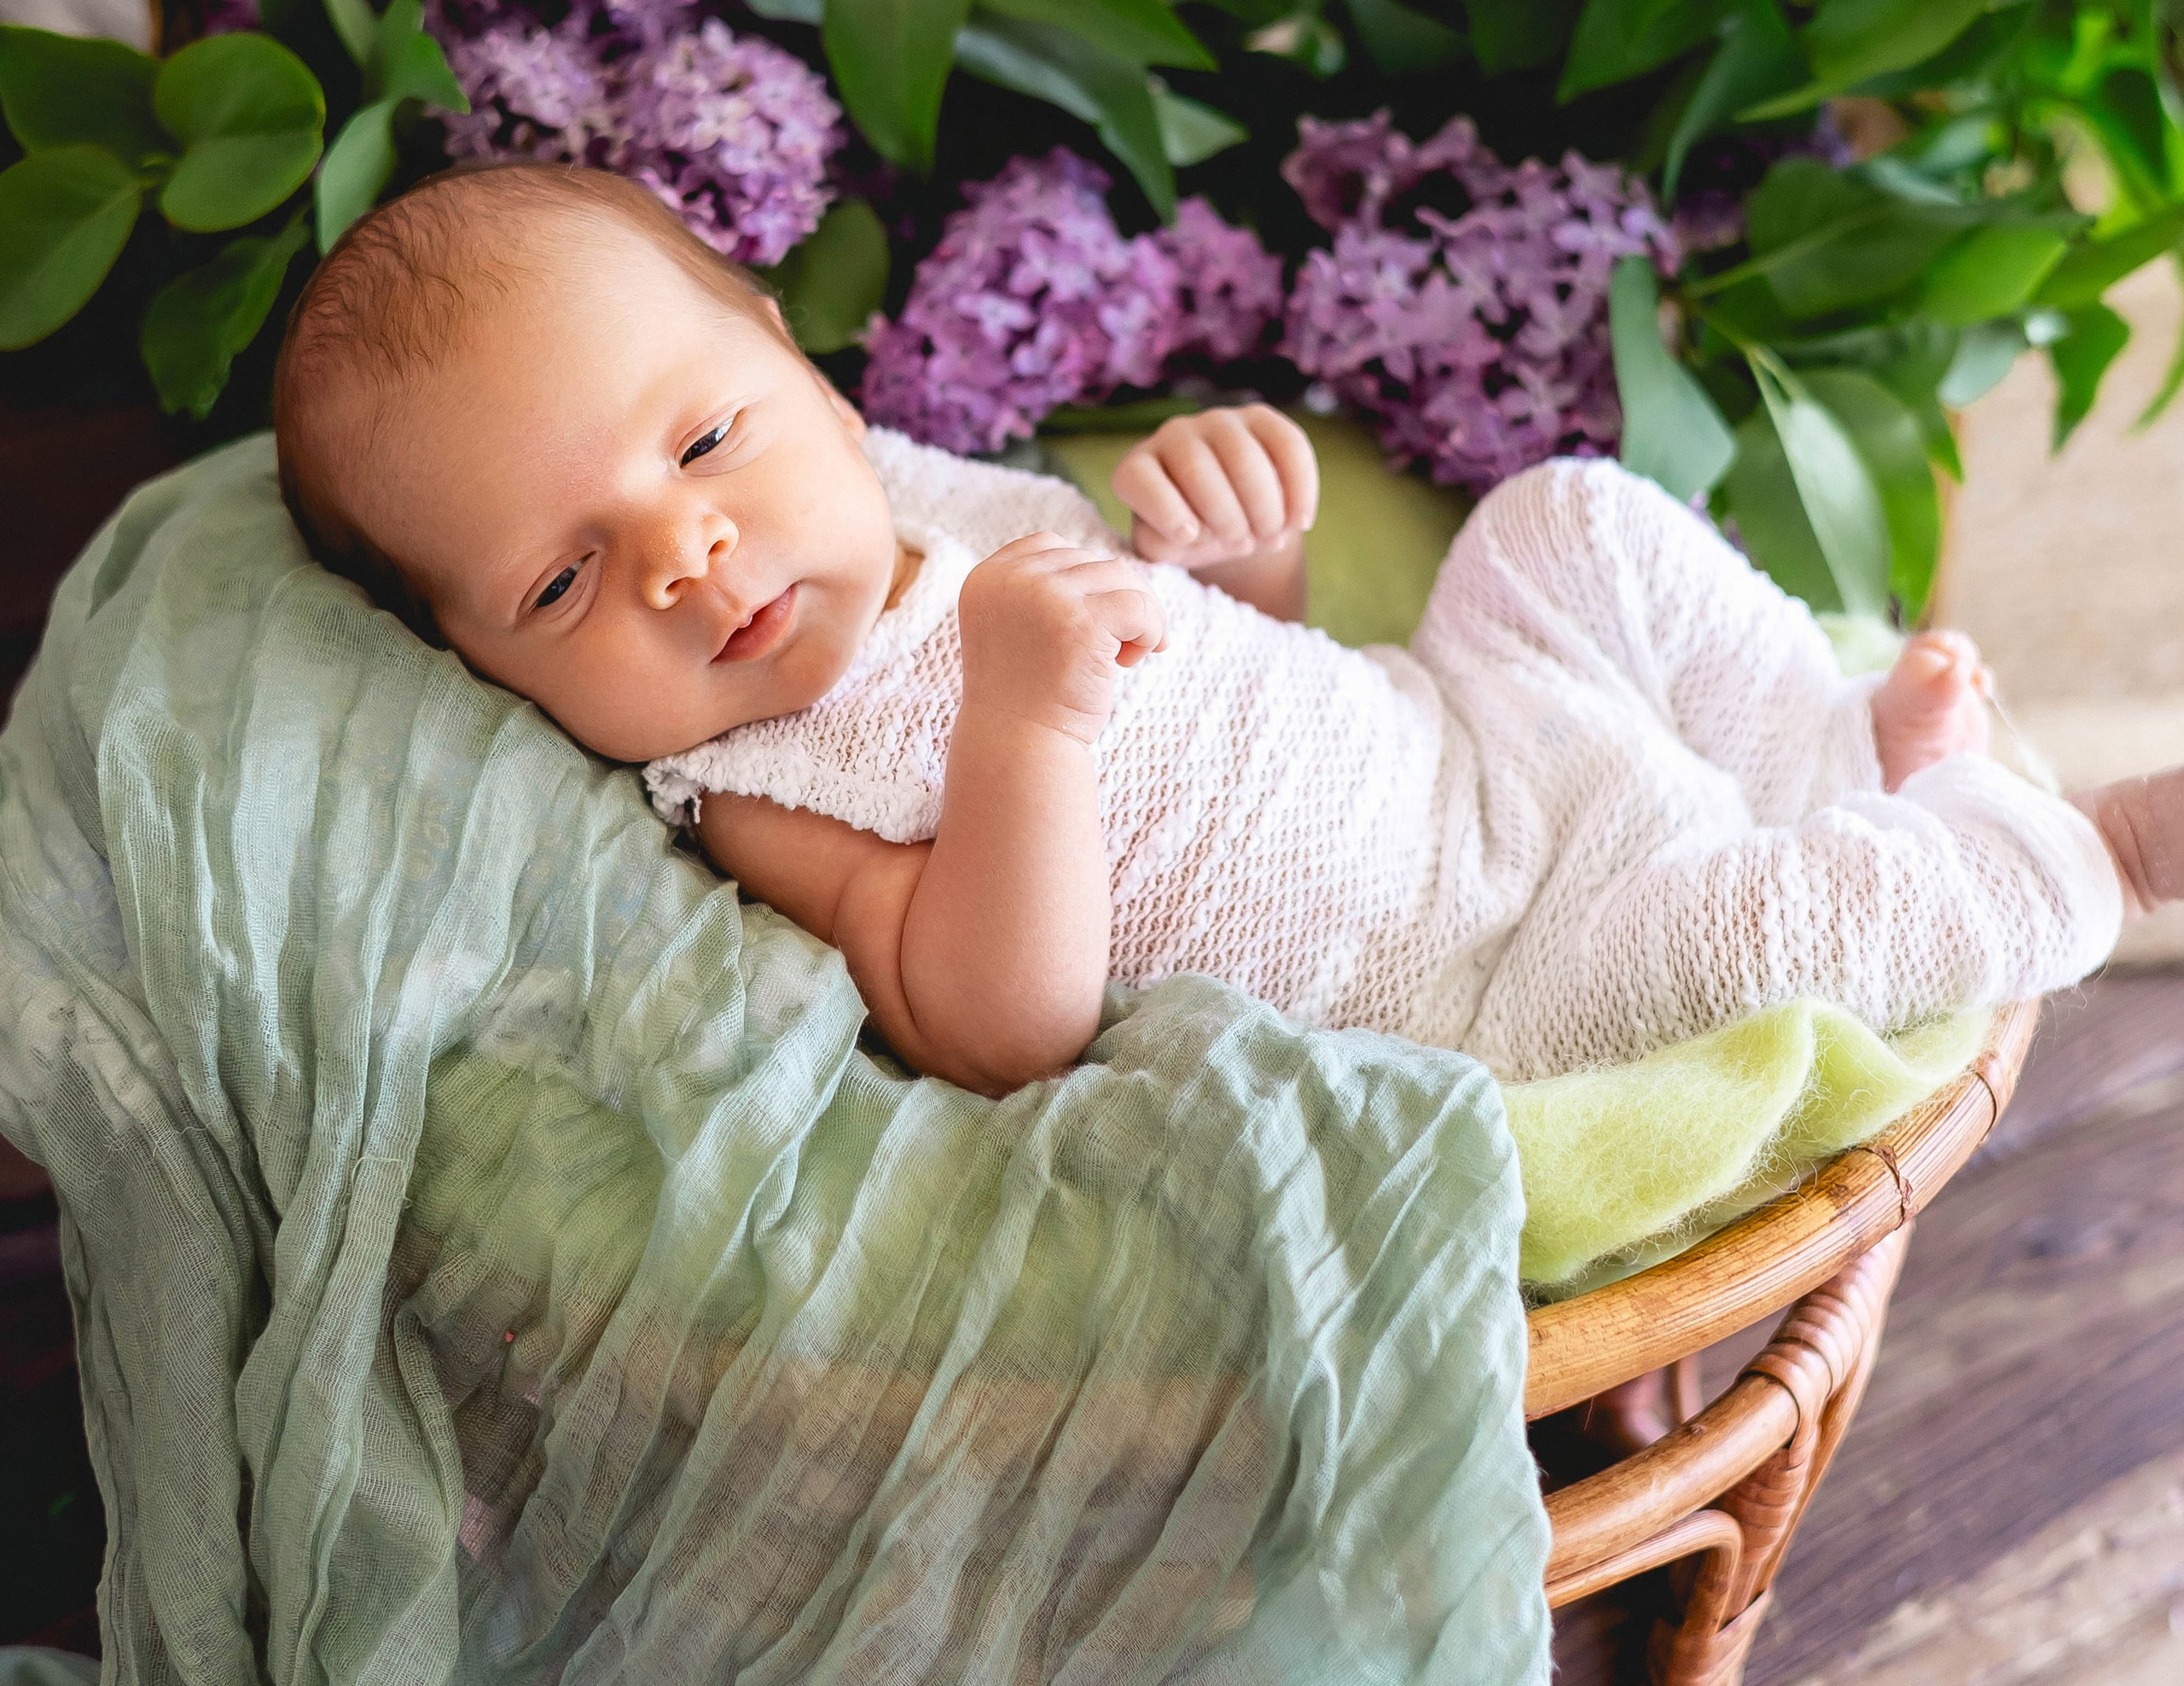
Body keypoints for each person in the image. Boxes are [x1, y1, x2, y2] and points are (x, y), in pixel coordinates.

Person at [274, 161, 2164, 1099]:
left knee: (1564, 516)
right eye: (558, 584)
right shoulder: (745, 781)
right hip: (1459, 989)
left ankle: (1836, 759)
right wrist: (1021, 736)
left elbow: (1206, 660)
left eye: (698, 440)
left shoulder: (928, 497)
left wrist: (1233, 560)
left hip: (1456, 740)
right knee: (1749, 931)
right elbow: (989, 1024)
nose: (683, 552)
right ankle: (2074, 852)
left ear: (800, 366)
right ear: (487, 669)